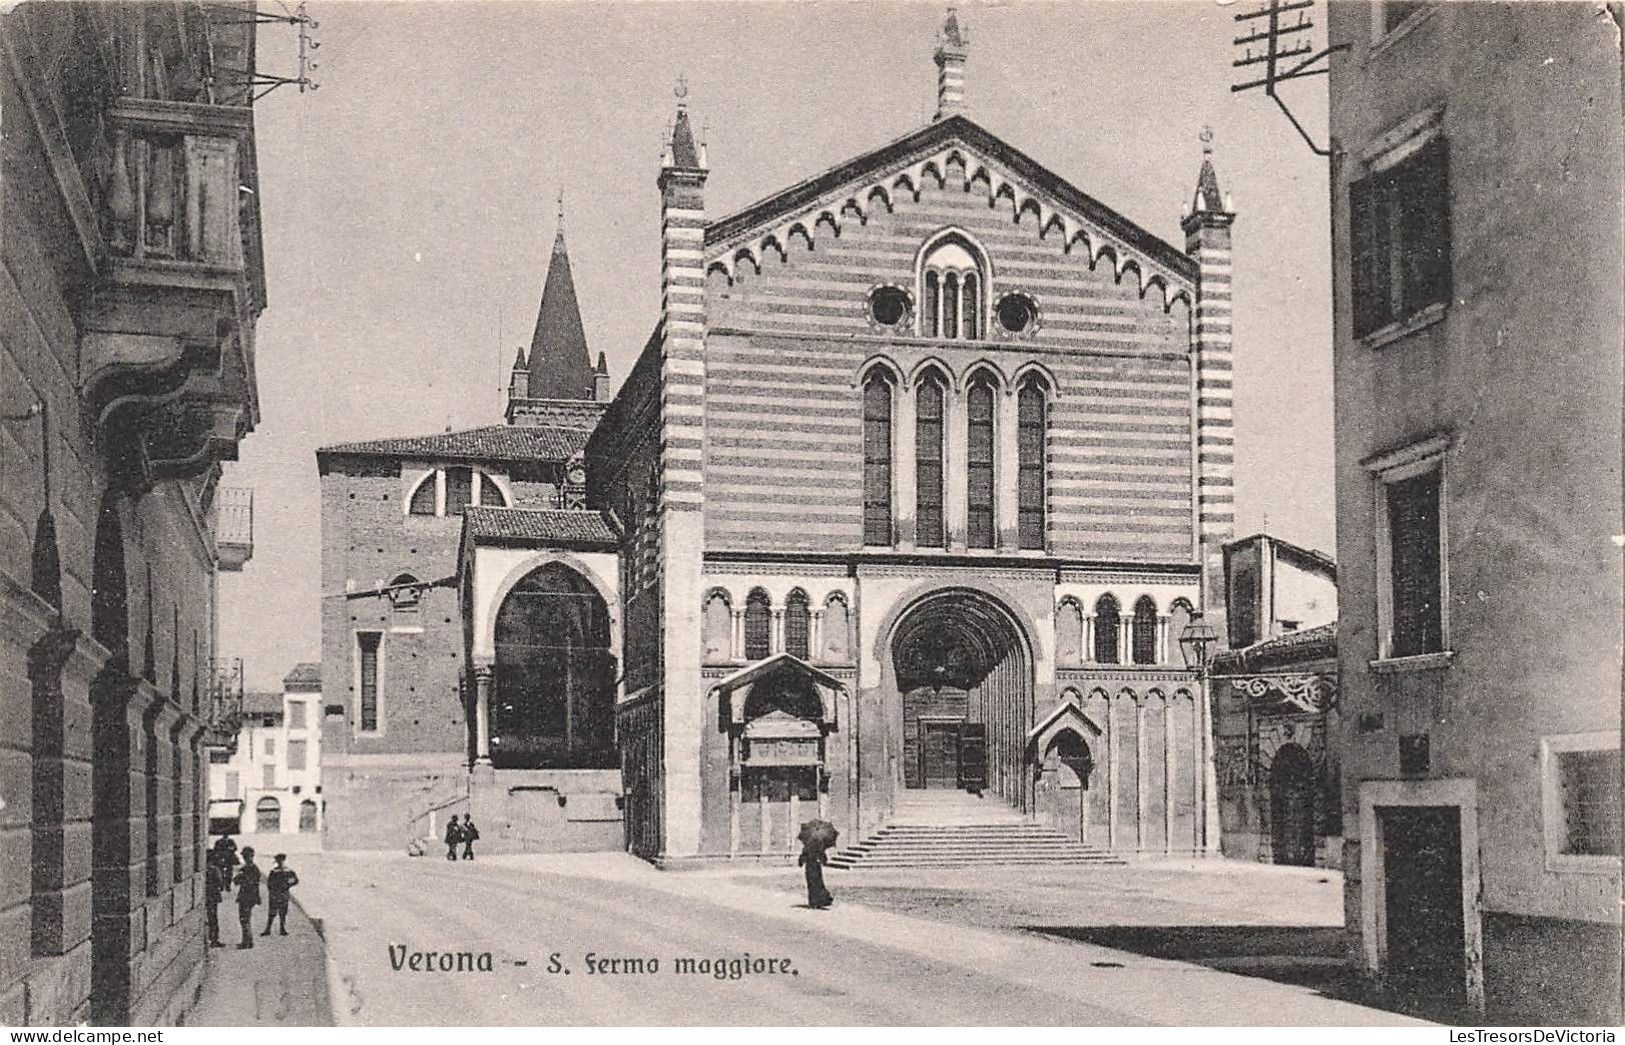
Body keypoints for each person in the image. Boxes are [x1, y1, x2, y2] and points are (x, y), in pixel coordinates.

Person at [262, 854, 299, 937]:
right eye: (278, 861)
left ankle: (281, 929)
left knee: (282, 912)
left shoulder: (287, 871)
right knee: (273, 912)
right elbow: (269, 883)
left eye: (280, 860)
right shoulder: (275, 871)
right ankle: (269, 929)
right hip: (278, 893)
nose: (280, 862)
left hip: (282, 893)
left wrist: (289, 884)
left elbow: (295, 880)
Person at [235, 847, 262, 948]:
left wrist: (241, 878)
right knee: (245, 919)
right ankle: (248, 941)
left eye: (245, 856)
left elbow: (241, 882)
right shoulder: (252, 868)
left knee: (244, 919)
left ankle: (246, 942)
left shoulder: (249, 868)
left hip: (246, 896)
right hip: (249, 896)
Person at [798, 838, 833, 910]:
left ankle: (815, 902)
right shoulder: (815, 846)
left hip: (812, 868)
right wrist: (823, 861)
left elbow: (803, 856)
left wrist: (801, 862)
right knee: (816, 884)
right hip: (814, 867)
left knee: (813, 884)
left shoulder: (809, 847)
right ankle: (817, 902)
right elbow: (822, 855)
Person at [204, 860, 224, 948]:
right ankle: (214, 940)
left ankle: (209, 938)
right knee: (213, 918)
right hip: (213, 896)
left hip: (206, 896)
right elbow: (220, 881)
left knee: (208, 917)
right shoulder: (215, 869)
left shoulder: (204, 870)